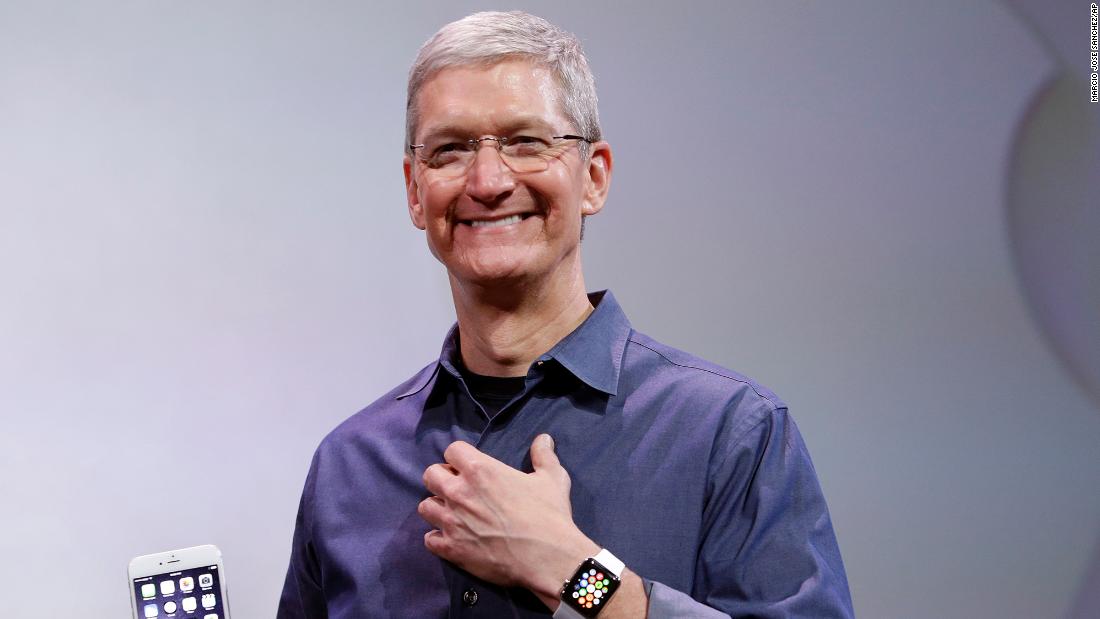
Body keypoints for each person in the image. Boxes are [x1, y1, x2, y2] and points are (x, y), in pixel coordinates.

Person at [278, 10, 853, 618]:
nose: (489, 180)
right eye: (450, 150)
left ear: (594, 177)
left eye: (527, 142)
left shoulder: (731, 435)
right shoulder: (348, 465)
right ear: (416, 191)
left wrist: (572, 572)